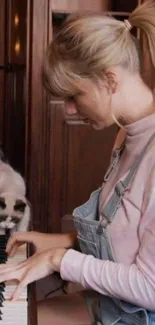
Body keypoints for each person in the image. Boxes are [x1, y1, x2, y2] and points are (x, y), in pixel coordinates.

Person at [1, 1, 155, 324]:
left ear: (109, 81)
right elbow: (120, 236)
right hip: (109, 306)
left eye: (74, 95)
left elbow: (150, 286)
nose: (70, 110)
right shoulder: (126, 136)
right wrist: (57, 242)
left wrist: (60, 259)